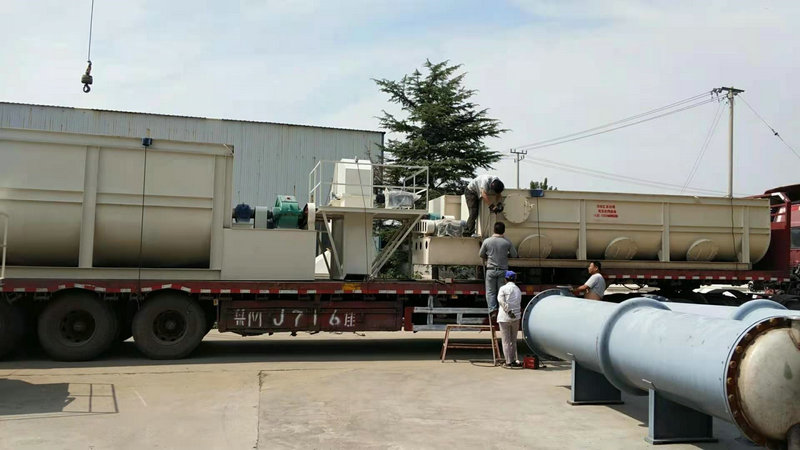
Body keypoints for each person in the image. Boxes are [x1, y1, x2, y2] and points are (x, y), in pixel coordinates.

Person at [479, 221, 518, 315]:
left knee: (490, 292)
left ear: (494, 230)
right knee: (502, 292)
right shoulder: (507, 242)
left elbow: (481, 254)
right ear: (503, 231)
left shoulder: (487, 241)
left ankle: (492, 310)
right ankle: (502, 310)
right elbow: (514, 254)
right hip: (503, 271)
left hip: (491, 270)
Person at [497, 270, 522, 368]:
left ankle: (508, 361)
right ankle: (513, 360)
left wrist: (508, 310)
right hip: (516, 318)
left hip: (504, 318)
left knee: (506, 341)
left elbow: (500, 300)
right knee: (513, 341)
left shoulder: (503, 288)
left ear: (505, 279)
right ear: (515, 279)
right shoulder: (518, 290)